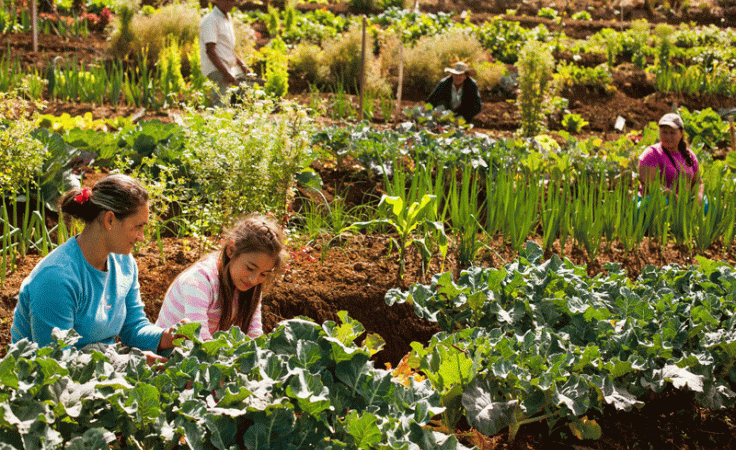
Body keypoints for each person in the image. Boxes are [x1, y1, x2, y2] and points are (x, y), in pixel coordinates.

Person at [10, 174, 181, 363]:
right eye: (137, 226)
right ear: (109, 220)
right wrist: (125, 364)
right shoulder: (56, 278)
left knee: (178, 358)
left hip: (101, 370)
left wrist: (168, 336)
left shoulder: (124, 264)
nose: (142, 237)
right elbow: (55, 363)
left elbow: (133, 328)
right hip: (45, 384)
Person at [156, 214, 285, 341]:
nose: (254, 279)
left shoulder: (251, 288)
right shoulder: (199, 281)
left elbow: (254, 335)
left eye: (263, 274)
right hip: (166, 355)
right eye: (250, 268)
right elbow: (199, 339)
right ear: (231, 250)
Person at [638, 113, 704, 205]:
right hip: (658, 201)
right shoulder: (651, 153)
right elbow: (650, 183)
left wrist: (698, 198)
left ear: (681, 133)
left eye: (672, 133)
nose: (668, 137)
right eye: (664, 132)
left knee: (712, 203)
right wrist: (673, 196)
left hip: (684, 202)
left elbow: (698, 182)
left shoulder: (689, 155)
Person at [199, 0, 250, 106]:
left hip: (229, 67)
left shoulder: (227, 18)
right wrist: (226, 74)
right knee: (222, 103)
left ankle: (234, 114)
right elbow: (210, 51)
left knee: (248, 83)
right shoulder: (210, 20)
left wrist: (243, 66)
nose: (229, 3)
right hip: (216, 69)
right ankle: (221, 115)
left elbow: (229, 49)